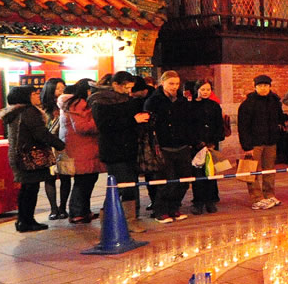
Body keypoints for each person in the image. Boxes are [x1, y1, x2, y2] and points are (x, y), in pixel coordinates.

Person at [0, 85, 67, 233]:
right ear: (25, 97)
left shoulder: (16, 111)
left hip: (18, 155)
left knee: (26, 189)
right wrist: (59, 144)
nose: (37, 96)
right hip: (29, 156)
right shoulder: (29, 111)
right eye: (34, 94)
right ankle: (27, 221)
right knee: (31, 189)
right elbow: (40, 133)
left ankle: (23, 220)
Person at [89, 72, 150, 220]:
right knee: (124, 186)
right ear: (115, 84)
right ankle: (118, 220)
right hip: (113, 150)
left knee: (129, 186)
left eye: (131, 88)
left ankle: (128, 219)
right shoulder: (100, 101)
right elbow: (104, 125)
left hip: (129, 148)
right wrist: (133, 120)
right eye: (126, 87)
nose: (129, 91)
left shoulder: (126, 100)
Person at [144, 71, 198, 222]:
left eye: (176, 84)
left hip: (182, 146)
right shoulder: (153, 101)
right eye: (171, 84)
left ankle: (174, 207)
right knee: (166, 181)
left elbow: (189, 122)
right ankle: (161, 210)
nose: (174, 87)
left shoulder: (182, 100)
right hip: (164, 147)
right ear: (163, 83)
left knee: (184, 180)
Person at [56, 81, 100, 224]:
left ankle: (83, 211)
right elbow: (82, 127)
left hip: (80, 147)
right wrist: (99, 122)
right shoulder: (78, 104)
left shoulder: (71, 103)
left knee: (87, 180)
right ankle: (77, 213)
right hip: (81, 148)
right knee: (83, 181)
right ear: (87, 91)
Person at [238, 75, 284, 210]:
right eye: (260, 86)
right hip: (255, 143)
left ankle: (269, 194)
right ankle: (257, 198)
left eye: (266, 85)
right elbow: (243, 126)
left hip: (271, 141)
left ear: (270, 86)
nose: (263, 88)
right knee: (252, 171)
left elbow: (279, 117)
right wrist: (247, 146)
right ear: (255, 87)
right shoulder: (248, 104)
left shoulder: (275, 101)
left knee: (269, 170)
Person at [190, 80, 224, 215]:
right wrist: (197, 141)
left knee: (211, 172)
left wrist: (213, 142)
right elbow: (190, 126)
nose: (205, 92)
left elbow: (219, 124)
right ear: (197, 89)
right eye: (203, 89)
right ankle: (198, 201)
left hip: (212, 144)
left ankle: (211, 200)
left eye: (208, 90)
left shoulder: (215, 106)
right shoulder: (191, 106)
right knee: (198, 174)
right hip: (197, 145)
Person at [38, 77, 68, 220]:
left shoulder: (66, 105)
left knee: (65, 176)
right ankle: (53, 209)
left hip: (63, 144)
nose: (61, 91)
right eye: (57, 88)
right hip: (48, 146)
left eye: (63, 88)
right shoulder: (43, 109)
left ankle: (63, 207)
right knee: (49, 178)